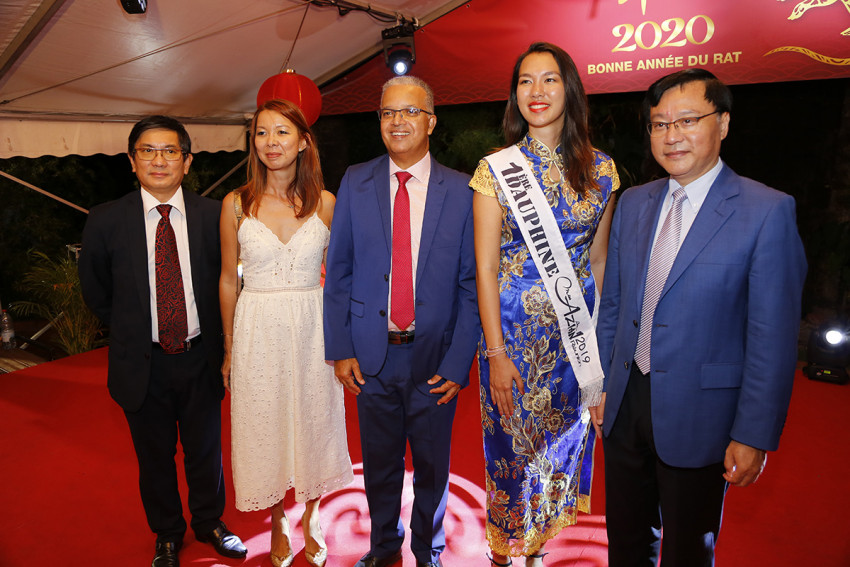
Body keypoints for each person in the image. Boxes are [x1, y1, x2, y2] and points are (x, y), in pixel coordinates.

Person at [592, 68, 807, 566]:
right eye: (659, 124)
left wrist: (754, 433)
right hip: (625, 405)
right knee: (624, 538)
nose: (672, 135)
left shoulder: (766, 211)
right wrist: (600, 382)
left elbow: (771, 338)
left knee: (688, 547)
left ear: (723, 124)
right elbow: (616, 306)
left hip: (702, 414)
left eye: (687, 120)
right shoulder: (633, 203)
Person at [471, 42, 619, 566]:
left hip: (571, 346)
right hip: (510, 339)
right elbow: (485, 269)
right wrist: (494, 353)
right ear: (515, 95)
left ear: (570, 88)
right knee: (511, 453)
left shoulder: (602, 171)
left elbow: (598, 263)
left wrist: (595, 359)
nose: (537, 91)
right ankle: (504, 553)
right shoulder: (496, 170)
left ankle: (536, 551)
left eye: (549, 79)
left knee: (556, 451)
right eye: (526, 81)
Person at [323, 76, 479, 567]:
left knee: (433, 467)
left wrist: (458, 364)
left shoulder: (462, 189)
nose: (398, 121)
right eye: (389, 112)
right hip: (373, 356)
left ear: (430, 120)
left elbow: (473, 284)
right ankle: (383, 546)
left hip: (435, 359)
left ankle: (427, 548)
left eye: (410, 112)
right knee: (380, 466)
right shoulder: (355, 180)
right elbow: (340, 269)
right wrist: (341, 347)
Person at [79, 116, 247, 567]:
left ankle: (210, 522)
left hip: (200, 357)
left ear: (187, 161)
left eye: (170, 151)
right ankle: (168, 534)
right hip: (142, 362)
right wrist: (137, 330)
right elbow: (95, 290)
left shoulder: (215, 217)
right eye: (148, 151)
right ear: (132, 161)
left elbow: (230, 281)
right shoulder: (105, 220)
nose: (159, 160)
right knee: (154, 457)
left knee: (205, 450)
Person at [219, 99, 352, 567]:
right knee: (265, 423)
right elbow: (225, 280)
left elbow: (339, 281)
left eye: (281, 133)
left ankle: (311, 514)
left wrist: (343, 344)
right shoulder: (236, 204)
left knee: (315, 420)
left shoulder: (328, 203)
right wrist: (231, 349)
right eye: (261, 133)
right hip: (257, 327)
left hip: (312, 328)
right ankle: (277, 519)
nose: (270, 142)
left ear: (302, 142)